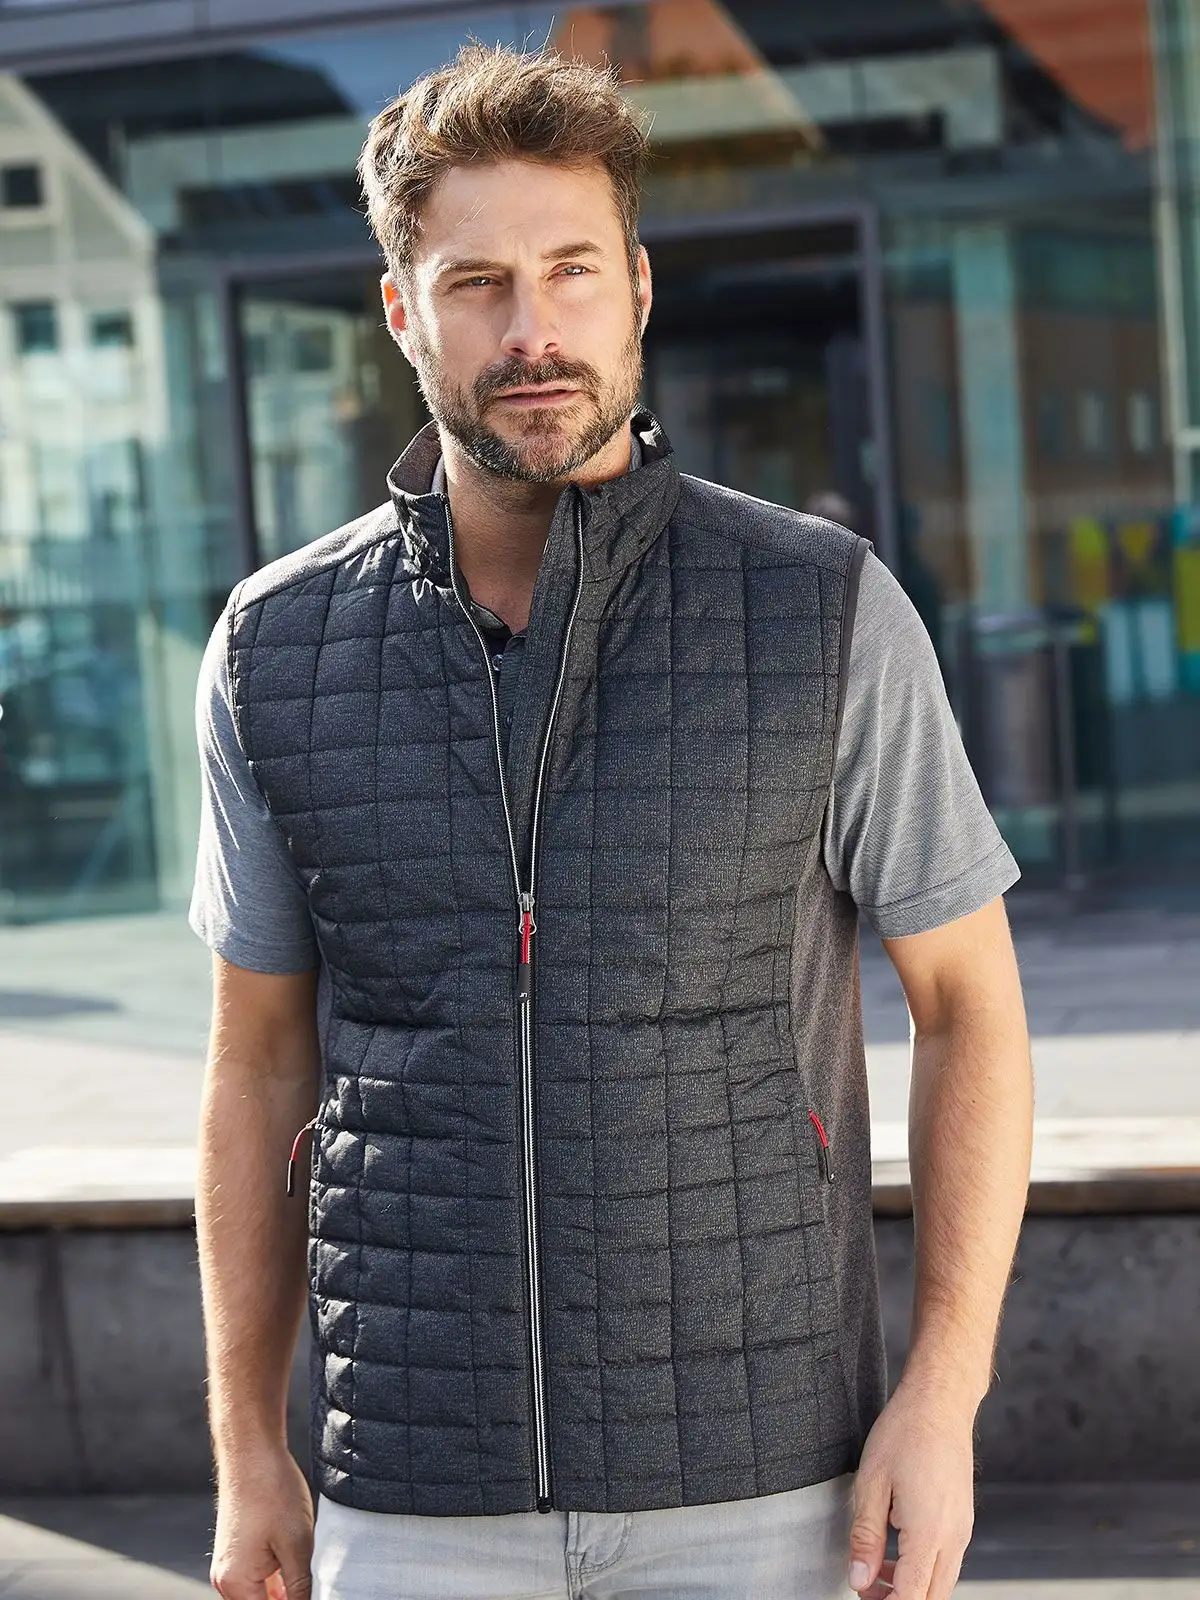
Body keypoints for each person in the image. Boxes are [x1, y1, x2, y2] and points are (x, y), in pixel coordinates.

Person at [190, 42, 1033, 1600]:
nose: (532, 331)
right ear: (402, 313)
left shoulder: (822, 611)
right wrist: (250, 1448)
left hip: (769, 1485)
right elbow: (257, 1063)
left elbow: (971, 1008)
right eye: (476, 283)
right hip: (414, 1501)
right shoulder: (274, 647)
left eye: (572, 270)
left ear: (637, 288)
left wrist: (946, 1392)